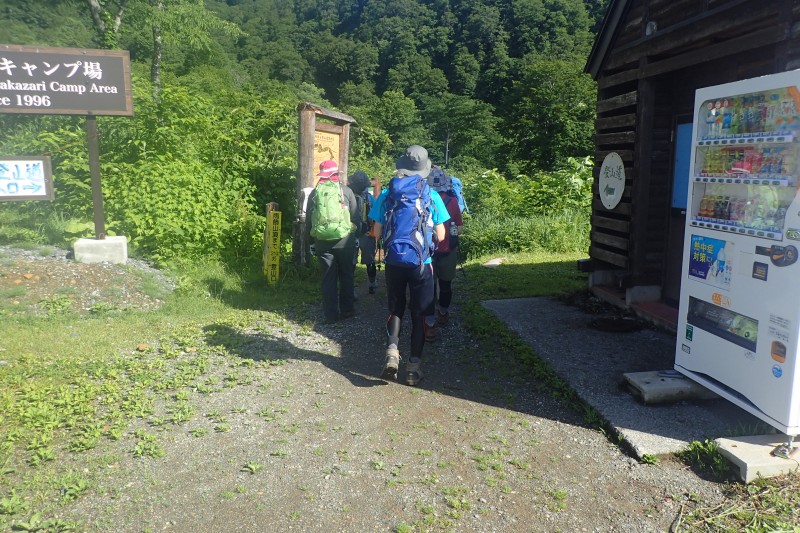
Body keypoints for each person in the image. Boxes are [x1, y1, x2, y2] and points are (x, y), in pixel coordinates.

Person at [368, 145, 449, 386]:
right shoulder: (431, 194)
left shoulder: (387, 193)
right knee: (420, 313)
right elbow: (442, 235)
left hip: (394, 261)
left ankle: (392, 352)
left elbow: (376, 231)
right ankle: (413, 368)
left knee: (396, 308)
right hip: (421, 263)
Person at [305, 160, 359, 323]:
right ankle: (347, 311)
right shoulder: (347, 191)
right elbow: (355, 217)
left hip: (322, 242)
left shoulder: (315, 193)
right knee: (346, 275)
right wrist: (355, 236)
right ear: (336, 174)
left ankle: (330, 315)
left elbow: (309, 221)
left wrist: (312, 242)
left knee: (328, 278)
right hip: (345, 241)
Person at [424, 166, 464, 341]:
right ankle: (443, 313)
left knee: (429, 288)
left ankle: (430, 323)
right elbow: (460, 228)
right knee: (446, 284)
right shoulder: (453, 201)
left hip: (427, 251)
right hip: (448, 249)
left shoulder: (423, 199)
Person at [346, 170, 379, 295]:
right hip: (367, 233)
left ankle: (351, 290)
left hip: (351, 234)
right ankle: (372, 283)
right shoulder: (369, 198)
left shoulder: (348, 197)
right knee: (370, 261)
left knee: (351, 262)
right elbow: (376, 216)